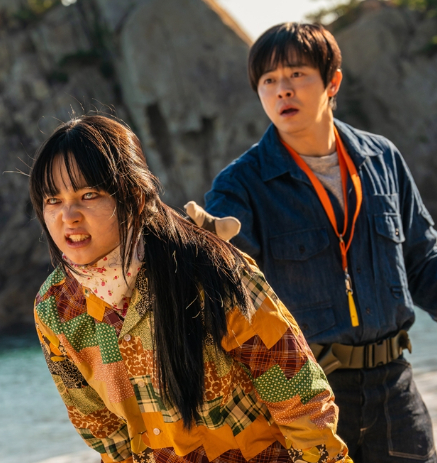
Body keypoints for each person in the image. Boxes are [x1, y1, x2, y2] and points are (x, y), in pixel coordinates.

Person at [29, 115, 353, 463]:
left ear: (134, 197)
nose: (69, 216)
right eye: (53, 200)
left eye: (88, 195)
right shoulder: (56, 308)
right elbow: (105, 435)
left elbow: (301, 402)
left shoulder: (212, 272)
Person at [193, 23, 437, 463]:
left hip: (397, 393)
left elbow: (423, 262)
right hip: (305, 400)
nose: (282, 90)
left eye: (296, 74)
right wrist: (206, 245)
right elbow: (223, 285)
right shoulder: (240, 184)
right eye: (268, 81)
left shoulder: (382, 159)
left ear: (332, 82)